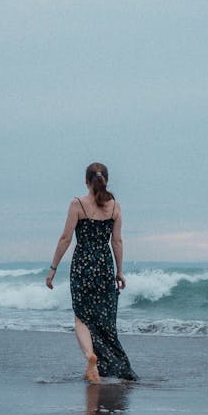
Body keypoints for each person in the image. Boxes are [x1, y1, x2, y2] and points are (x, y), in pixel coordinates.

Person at [46, 162, 137, 383]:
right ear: (106, 180)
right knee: (104, 319)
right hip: (104, 265)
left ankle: (90, 357)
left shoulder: (77, 204)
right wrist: (120, 271)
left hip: (82, 266)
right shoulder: (115, 206)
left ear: (87, 181)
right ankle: (102, 363)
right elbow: (117, 241)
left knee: (81, 318)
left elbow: (65, 239)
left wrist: (53, 268)